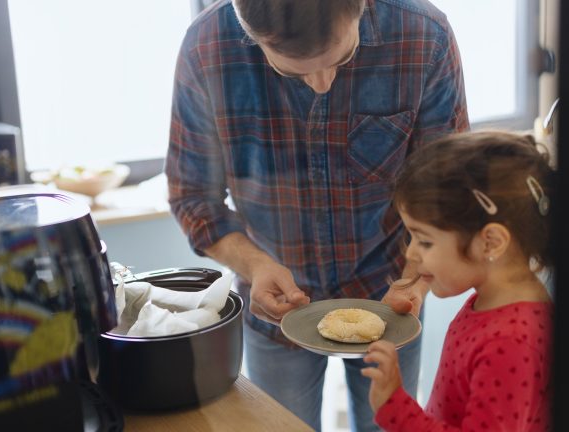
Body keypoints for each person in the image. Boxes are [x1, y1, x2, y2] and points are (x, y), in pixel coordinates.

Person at [166, 0, 468, 429]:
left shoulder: (423, 36)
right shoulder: (206, 47)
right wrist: (255, 265)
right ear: (251, 34)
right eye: (292, 72)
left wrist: (417, 281)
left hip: (391, 290)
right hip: (274, 306)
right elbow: (193, 195)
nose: (322, 85)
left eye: (342, 59)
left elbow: (445, 192)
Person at [360, 131, 554, 431]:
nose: (411, 253)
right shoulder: (490, 303)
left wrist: (395, 408)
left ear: (490, 242)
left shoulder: (511, 341)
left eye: (425, 241)